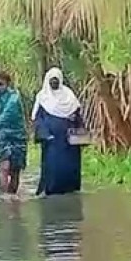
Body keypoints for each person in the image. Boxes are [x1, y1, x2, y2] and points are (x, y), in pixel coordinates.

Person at [33, 67, 84, 196]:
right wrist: (45, 134)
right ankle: (50, 188)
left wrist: (75, 121)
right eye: (52, 80)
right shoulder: (43, 97)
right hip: (52, 141)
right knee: (53, 166)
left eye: (56, 80)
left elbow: (77, 114)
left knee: (70, 166)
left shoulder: (69, 95)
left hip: (68, 141)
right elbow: (38, 119)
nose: (54, 83)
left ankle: (70, 187)